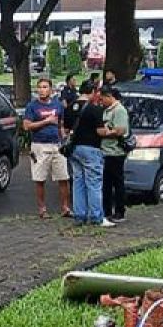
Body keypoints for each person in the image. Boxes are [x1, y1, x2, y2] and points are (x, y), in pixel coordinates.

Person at [22, 77, 70, 219]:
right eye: (40, 87)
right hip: (40, 146)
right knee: (40, 178)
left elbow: (61, 124)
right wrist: (45, 121)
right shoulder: (32, 106)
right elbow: (26, 126)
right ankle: (42, 208)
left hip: (57, 145)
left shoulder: (57, 105)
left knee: (63, 177)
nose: (42, 90)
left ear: (51, 89)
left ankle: (65, 207)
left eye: (45, 87)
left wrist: (64, 136)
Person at [66, 80, 109, 228]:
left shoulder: (71, 107)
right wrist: (110, 131)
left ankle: (79, 215)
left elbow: (65, 130)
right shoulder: (94, 109)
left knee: (78, 181)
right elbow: (100, 131)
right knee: (94, 182)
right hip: (91, 148)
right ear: (92, 92)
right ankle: (96, 216)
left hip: (74, 149)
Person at [98, 84, 130, 223]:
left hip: (115, 152)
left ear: (109, 96)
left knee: (117, 183)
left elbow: (121, 130)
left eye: (102, 98)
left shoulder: (119, 110)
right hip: (105, 151)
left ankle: (119, 211)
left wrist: (105, 133)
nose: (101, 101)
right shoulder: (106, 110)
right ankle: (106, 211)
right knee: (106, 184)